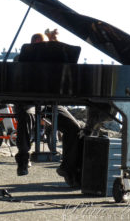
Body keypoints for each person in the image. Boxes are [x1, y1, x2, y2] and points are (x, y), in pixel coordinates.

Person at [15, 31, 83, 187]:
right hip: (28, 99)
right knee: (26, 116)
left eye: (45, 46)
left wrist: (56, 42)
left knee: (74, 128)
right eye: (38, 46)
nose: (43, 50)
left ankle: (68, 167)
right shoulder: (20, 59)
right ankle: (23, 159)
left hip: (50, 101)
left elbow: (67, 67)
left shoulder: (54, 59)